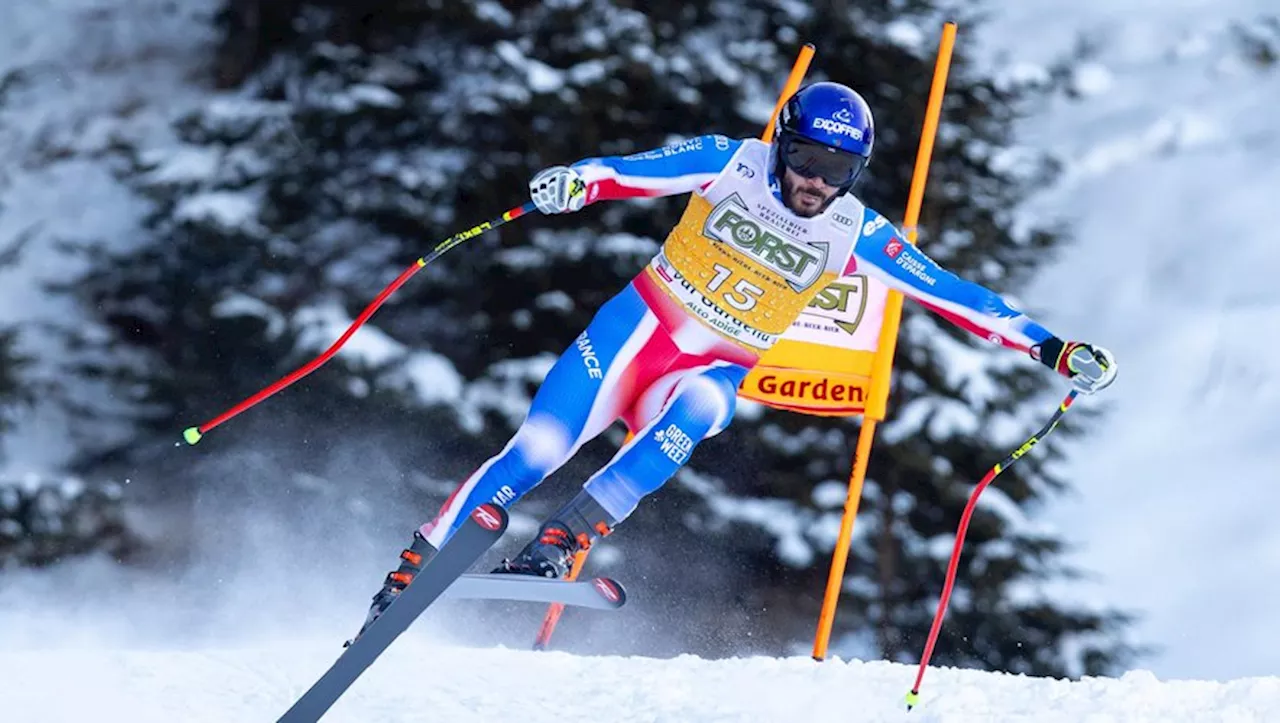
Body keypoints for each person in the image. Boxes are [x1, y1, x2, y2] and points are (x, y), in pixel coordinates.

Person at [352, 81, 1117, 639]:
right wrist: (577, 181)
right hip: (636, 332)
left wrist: (1053, 347)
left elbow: (954, 294)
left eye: (839, 169)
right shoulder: (733, 162)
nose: (817, 181)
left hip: (702, 369)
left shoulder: (855, 231)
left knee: (708, 408)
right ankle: (414, 566)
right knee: (541, 448)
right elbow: (633, 168)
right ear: (785, 141)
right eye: (810, 157)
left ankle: (562, 538)